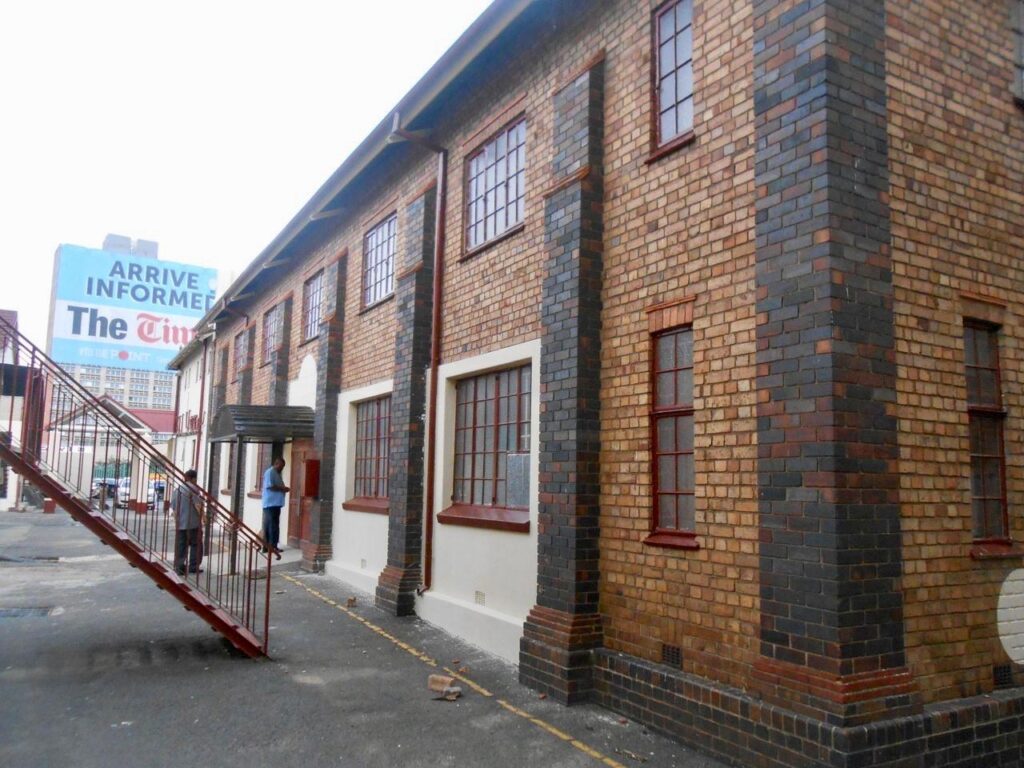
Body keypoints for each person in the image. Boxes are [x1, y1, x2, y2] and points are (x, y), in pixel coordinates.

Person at [171, 469, 205, 576]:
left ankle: (180, 567)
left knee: (181, 546)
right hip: (193, 523)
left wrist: (177, 522)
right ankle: (193, 567)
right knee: (196, 545)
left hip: (181, 524)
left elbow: (174, 509)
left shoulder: (177, 490)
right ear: (193, 479)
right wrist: (204, 518)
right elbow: (198, 505)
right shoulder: (193, 489)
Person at [261, 457, 289, 560]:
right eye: (281, 466)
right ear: (276, 464)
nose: (282, 468)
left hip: (275, 503)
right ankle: (272, 547)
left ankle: (268, 547)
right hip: (271, 504)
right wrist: (283, 488)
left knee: (270, 525)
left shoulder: (276, 473)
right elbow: (270, 486)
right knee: (273, 526)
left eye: (283, 467)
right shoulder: (270, 472)